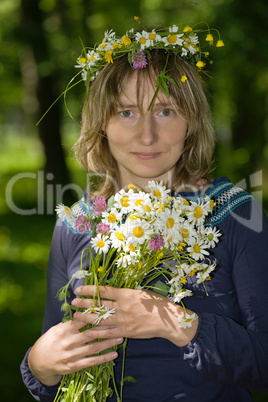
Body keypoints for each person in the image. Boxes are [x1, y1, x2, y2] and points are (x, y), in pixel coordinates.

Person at [20, 20, 268, 401]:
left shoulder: (235, 215)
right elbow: (62, 375)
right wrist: (40, 365)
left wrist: (177, 324)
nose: (147, 135)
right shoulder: (75, 225)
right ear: (101, 123)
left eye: (166, 112)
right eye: (126, 112)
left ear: (193, 122)